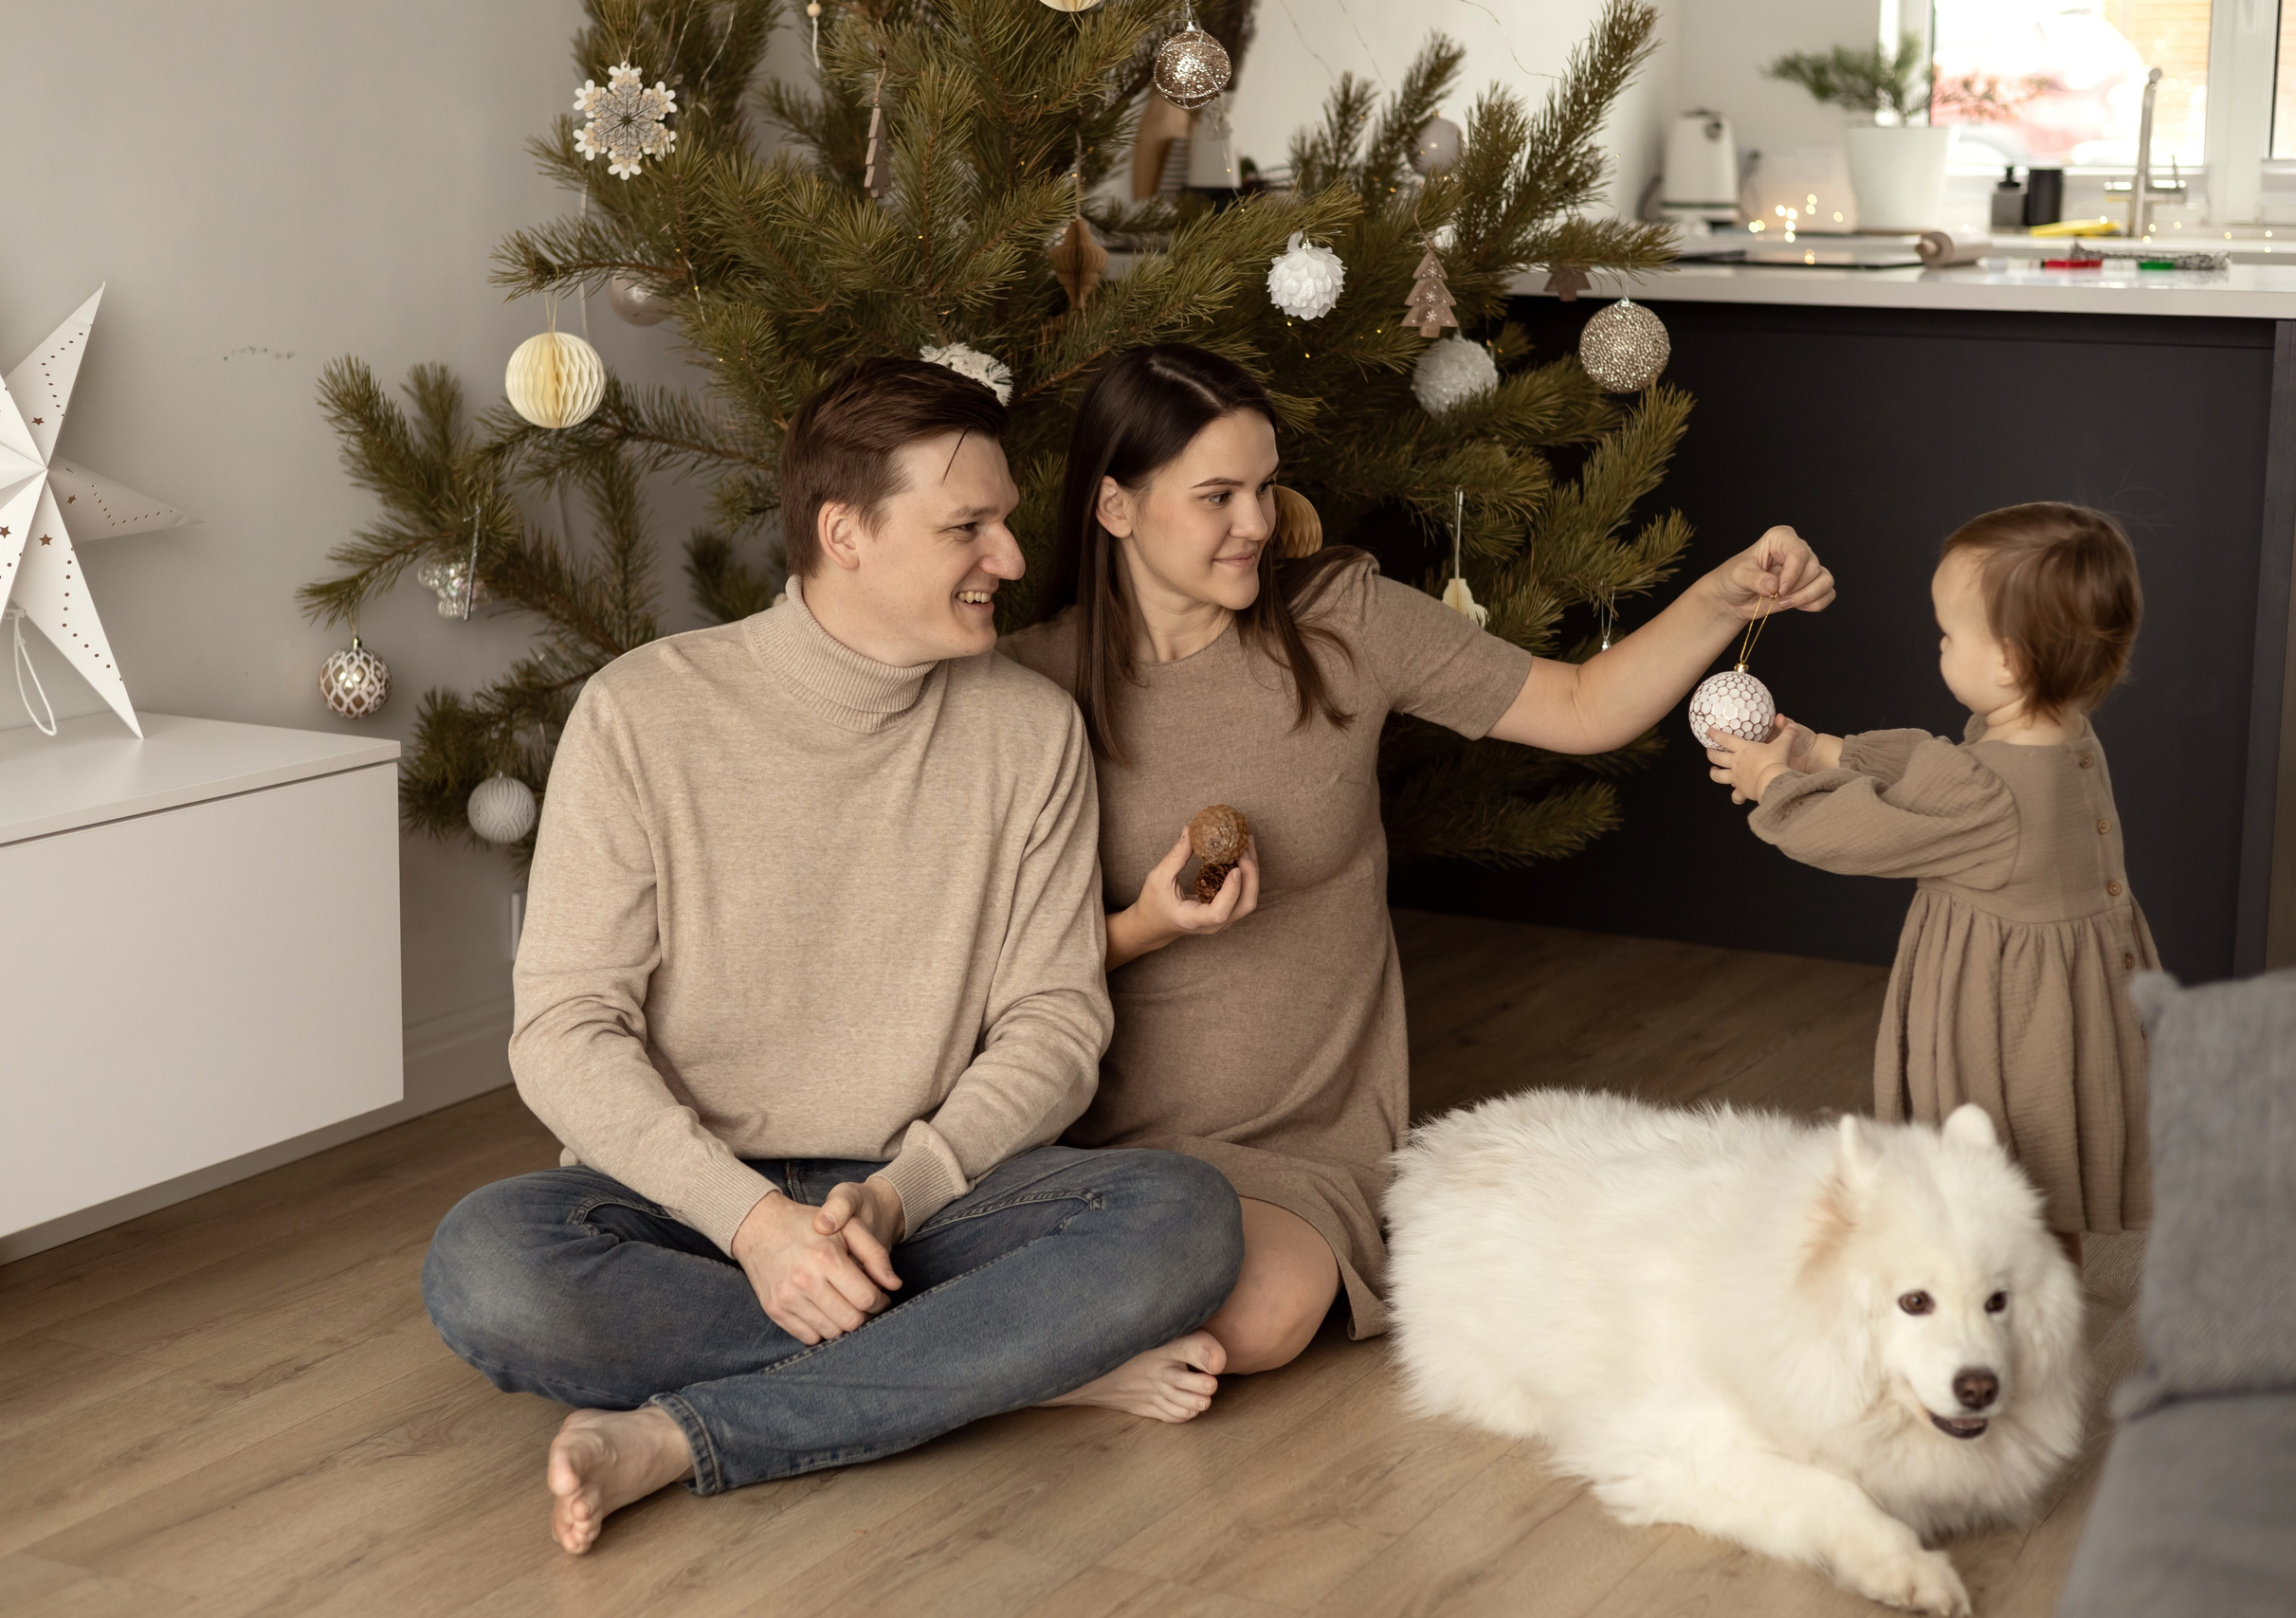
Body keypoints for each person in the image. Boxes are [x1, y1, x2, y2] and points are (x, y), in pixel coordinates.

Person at [419, 357, 1245, 1554]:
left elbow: (1056, 1026)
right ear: (843, 531)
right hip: (688, 1205)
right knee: (486, 1265)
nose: (1010, 559)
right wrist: (750, 1223)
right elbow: (562, 1030)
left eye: (1006, 521)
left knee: (1185, 1218)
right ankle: (1010, 1367)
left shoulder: (1027, 732)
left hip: (928, 1200)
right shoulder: (641, 712)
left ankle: (690, 1434)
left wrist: (902, 1190)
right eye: (968, 525)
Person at [1000, 343, 1835, 1409]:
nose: (1254, 523)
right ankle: (1062, 1369)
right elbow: (981, 957)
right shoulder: (1029, 682)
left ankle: (1030, 1353)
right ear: (1115, 507)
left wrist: (1723, 595)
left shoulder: (1342, 621)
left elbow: (1583, 708)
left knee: (1257, 1318)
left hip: (1291, 1142)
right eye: (1215, 496)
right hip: (1083, 1133)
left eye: (1262, 487)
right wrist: (1142, 928)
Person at [1705, 500, 2158, 1263]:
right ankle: (2048, 1302)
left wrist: (1775, 779)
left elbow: (1863, 831)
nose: (1938, 644)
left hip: (2004, 1022)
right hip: (2072, 1004)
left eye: (1949, 634)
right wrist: (1818, 749)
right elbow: (1928, 770)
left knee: (1998, 1186)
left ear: (2009, 662)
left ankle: (2008, 1324)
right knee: (2043, 1192)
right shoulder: (2068, 737)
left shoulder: (1986, 792)